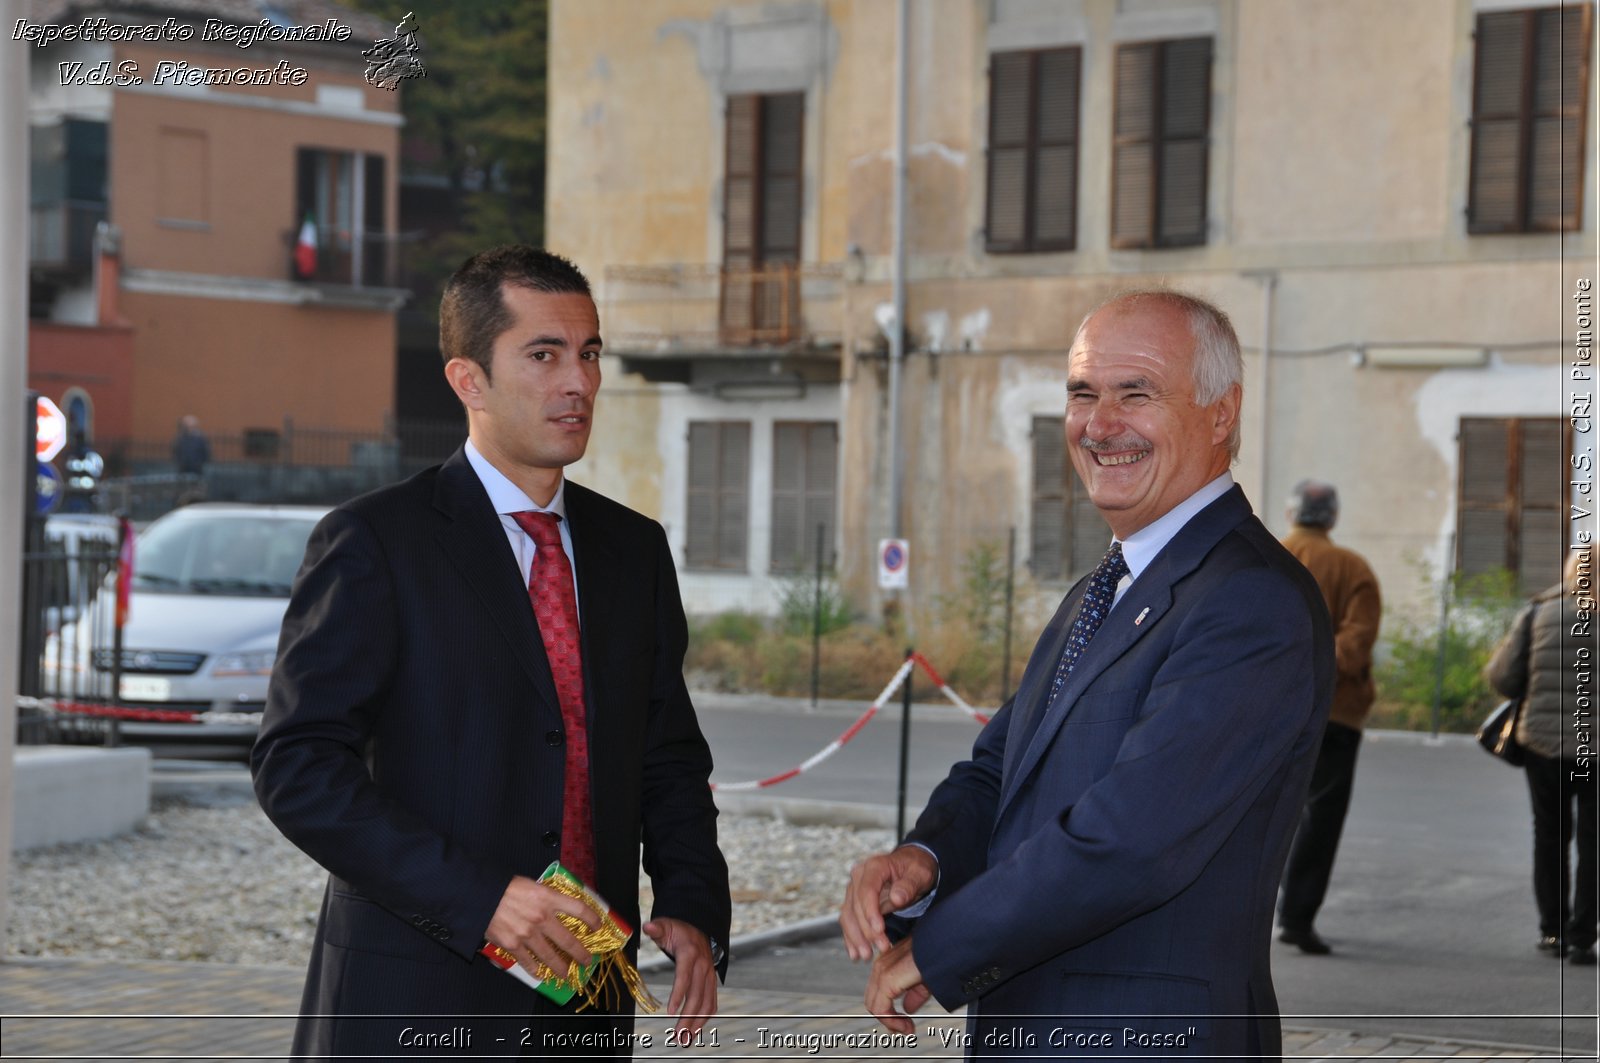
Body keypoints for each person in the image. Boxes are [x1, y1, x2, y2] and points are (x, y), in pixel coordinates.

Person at [251, 245, 731, 1059]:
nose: (577, 382)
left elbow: (667, 753)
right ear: (468, 380)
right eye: (543, 355)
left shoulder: (633, 549)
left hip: (586, 999)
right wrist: (481, 900)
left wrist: (691, 900)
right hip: (417, 993)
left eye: (588, 353)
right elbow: (297, 766)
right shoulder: (376, 541)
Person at [840, 289, 1334, 1059]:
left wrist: (946, 947)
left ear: (1221, 414)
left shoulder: (1250, 601)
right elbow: (1004, 767)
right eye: (1082, 393)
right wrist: (926, 859)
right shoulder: (1108, 585)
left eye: (1136, 393)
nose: (1100, 425)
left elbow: (1131, 839)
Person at [1276, 479, 1382, 955]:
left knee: (1259, 810)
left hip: (1266, 707)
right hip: (1336, 714)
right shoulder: (1353, 568)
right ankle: (1296, 919)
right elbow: (1354, 648)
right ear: (1333, 518)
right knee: (1321, 817)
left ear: (1290, 514)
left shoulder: (1267, 555)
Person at [1486, 545, 1597, 966]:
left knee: (1549, 835)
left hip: (1543, 745)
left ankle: (1554, 931)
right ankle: (1584, 936)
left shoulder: (1539, 613)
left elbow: (1503, 676)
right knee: (1594, 840)